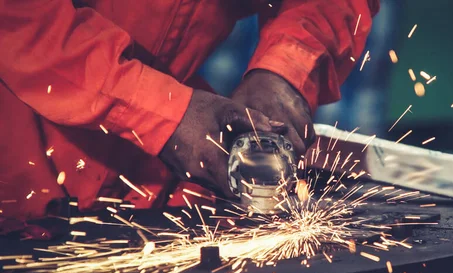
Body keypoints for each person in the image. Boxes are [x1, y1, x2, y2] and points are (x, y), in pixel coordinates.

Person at [0, 0, 379, 237]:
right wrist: (166, 113)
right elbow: (18, 18)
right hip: (17, 171)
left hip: (144, 180)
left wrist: (284, 72)